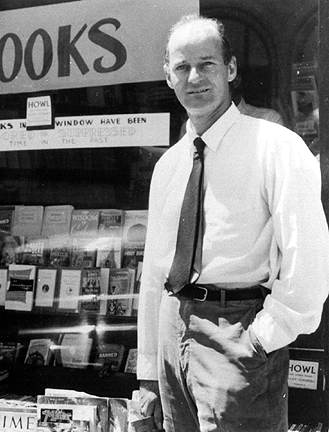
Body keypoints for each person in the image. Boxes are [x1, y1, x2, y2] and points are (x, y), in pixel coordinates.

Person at [137, 14, 329, 432]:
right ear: (168, 75)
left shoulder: (275, 146)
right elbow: (154, 273)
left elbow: (308, 257)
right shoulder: (168, 165)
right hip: (172, 335)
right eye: (182, 67)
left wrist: (260, 340)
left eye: (207, 64)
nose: (195, 77)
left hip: (237, 336)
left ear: (231, 69)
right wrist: (149, 369)